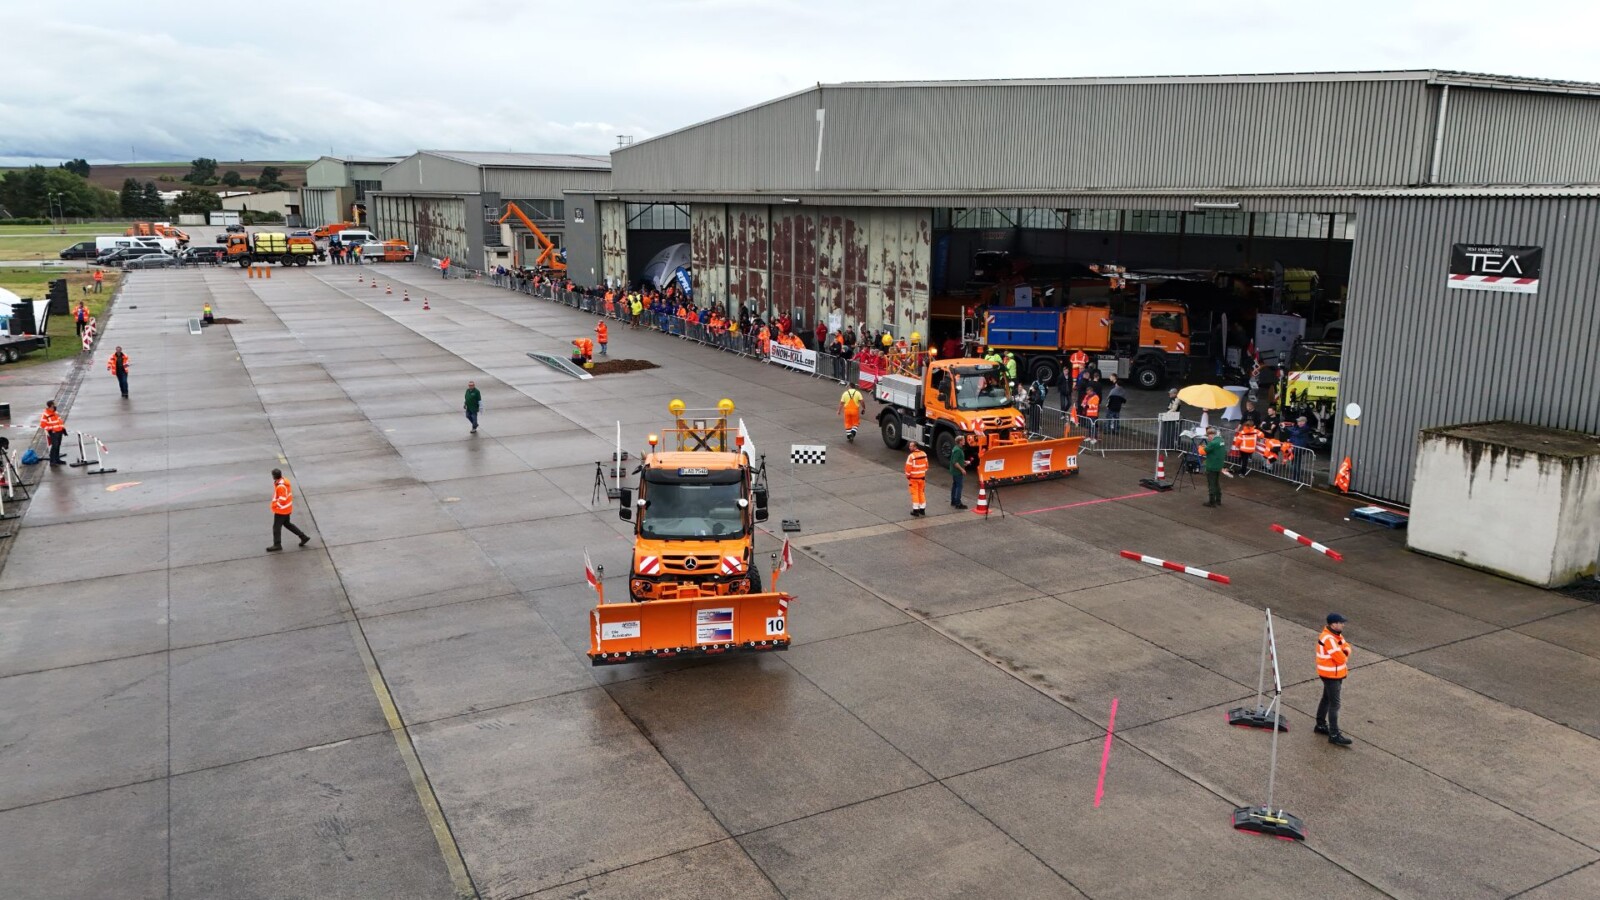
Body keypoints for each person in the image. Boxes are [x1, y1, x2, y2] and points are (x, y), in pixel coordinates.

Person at [1316, 613, 1354, 746]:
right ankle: (1334, 734)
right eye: (1341, 622)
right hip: (1331, 675)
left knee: (1326, 699)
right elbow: (1341, 658)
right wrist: (1344, 653)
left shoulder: (1336, 635)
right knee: (1335, 704)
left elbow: (1347, 647)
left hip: (1334, 674)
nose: (1343, 624)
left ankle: (1320, 725)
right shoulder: (1329, 639)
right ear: (1333, 624)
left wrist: (1344, 651)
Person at [266, 467, 312, 552]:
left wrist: (276, 505)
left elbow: (282, 500)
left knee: (276, 527)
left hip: (281, 510)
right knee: (287, 524)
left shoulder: (281, 486)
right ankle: (303, 537)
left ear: (274, 476)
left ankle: (277, 544)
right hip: (287, 509)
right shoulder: (283, 481)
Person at [1202, 425, 1226, 507]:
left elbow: (1205, 450)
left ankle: (1212, 502)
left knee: (1211, 484)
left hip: (1212, 466)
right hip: (1219, 465)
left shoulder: (1213, 443)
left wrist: (1201, 448)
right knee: (1216, 483)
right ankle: (1218, 500)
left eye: (1208, 436)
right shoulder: (1221, 440)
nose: (1207, 438)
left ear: (1211, 435)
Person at [904, 442, 928, 516]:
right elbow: (926, 466)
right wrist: (922, 473)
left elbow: (908, 468)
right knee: (921, 493)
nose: (909, 447)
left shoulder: (911, 456)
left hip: (913, 478)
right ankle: (922, 509)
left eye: (911, 446)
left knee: (915, 493)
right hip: (922, 478)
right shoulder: (924, 454)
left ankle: (916, 510)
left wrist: (908, 476)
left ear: (915, 447)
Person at [40, 400, 67, 465]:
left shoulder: (55, 412)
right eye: (54, 404)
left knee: (58, 445)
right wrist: (51, 430)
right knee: (54, 446)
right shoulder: (45, 414)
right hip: (53, 432)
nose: (55, 405)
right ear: (51, 405)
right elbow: (43, 424)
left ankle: (57, 459)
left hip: (59, 431)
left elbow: (59, 421)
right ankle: (52, 461)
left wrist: (63, 429)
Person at [948, 436, 968, 509]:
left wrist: (964, 462)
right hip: (957, 472)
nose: (964, 441)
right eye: (963, 440)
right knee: (959, 486)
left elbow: (956, 460)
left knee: (955, 486)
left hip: (954, 471)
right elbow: (955, 462)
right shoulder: (958, 450)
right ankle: (958, 503)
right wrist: (962, 469)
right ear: (960, 441)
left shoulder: (956, 448)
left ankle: (953, 501)